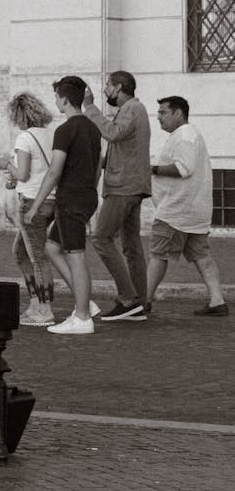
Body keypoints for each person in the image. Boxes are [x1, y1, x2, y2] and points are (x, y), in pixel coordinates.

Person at [24, 76, 102, 335]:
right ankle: (85, 303)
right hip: (87, 196)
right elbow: (97, 168)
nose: (55, 101)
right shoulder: (92, 128)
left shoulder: (65, 130)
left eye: (57, 97)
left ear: (65, 99)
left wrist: (35, 206)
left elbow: (54, 172)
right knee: (51, 247)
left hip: (71, 199)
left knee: (76, 257)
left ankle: (81, 317)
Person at [146, 96, 228, 317]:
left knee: (158, 254)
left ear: (178, 113)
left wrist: (153, 169)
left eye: (163, 112)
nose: (159, 117)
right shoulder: (189, 134)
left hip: (176, 210)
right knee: (202, 255)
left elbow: (184, 168)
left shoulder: (184, 136)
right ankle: (217, 300)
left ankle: (144, 300)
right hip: (194, 211)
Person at [83, 71, 151, 322]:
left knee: (101, 238)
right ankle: (138, 303)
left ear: (119, 87)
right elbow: (123, 147)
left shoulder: (133, 109)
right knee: (131, 246)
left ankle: (129, 298)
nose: (104, 92)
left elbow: (112, 134)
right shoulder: (133, 110)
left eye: (107, 87)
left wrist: (89, 108)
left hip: (124, 186)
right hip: (132, 184)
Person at [0, 92, 56, 326]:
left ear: (18, 115)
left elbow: (22, 174)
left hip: (31, 202)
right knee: (20, 252)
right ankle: (35, 302)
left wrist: (6, 164)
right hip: (51, 200)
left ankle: (45, 309)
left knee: (37, 257)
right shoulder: (51, 135)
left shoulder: (24, 138)